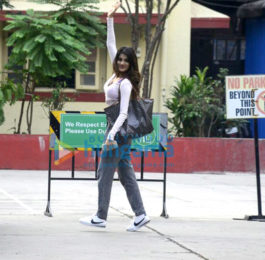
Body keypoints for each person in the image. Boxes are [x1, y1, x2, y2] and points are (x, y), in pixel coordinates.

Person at [79, 1, 150, 232]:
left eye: (125, 60)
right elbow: (110, 43)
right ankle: (140, 215)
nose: (121, 62)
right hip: (115, 129)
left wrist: (110, 135)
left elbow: (123, 113)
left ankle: (101, 216)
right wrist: (109, 18)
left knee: (105, 172)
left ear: (130, 64)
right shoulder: (114, 76)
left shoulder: (127, 83)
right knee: (126, 173)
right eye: (119, 59)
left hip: (117, 129)